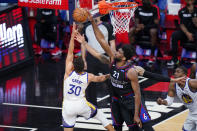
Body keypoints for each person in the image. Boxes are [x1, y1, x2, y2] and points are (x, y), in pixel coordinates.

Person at [75, 12, 154, 131]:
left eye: (119, 52)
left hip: (132, 101)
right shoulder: (111, 62)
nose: (115, 52)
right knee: (121, 127)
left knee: (145, 127)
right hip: (119, 101)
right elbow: (100, 44)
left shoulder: (130, 71)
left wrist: (136, 114)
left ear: (123, 58)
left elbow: (137, 94)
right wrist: (85, 41)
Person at [62, 23, 114, 131]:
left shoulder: (68, 72)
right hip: (81, 105)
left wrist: (72, 36)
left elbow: (70, 52)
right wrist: (109, 74)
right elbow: (101, 78)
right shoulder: (88, 76)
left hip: (67, 106)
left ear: (73, 66)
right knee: (100, 115)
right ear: (84, 66)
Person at [81, 14, 116, 106]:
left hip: (105, 56)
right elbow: (83, 43)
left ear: (100, 15)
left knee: (110, 80)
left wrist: (112, 57)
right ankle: (92, 104)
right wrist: (83, 59)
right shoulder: (86, 26)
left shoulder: (107, 26)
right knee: (90, 81)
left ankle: (114, 101)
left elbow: (112, 42)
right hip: (91, 57)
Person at [156, 66, 197, 131]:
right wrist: (162, 101)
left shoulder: (191, 83)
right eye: (175, 72)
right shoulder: (173, 84)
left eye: (178, 72)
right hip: (192, 113)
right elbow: (169, 101)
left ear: (184, 75)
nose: (175, 73)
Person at [167, 0, 197, 66]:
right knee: (174, 35)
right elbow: (181, 25)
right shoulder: (181, 11)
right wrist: (187, 33)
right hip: (186, 32)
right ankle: (175, 59)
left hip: (195, 31)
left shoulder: (196, 10)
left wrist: (192, 13)